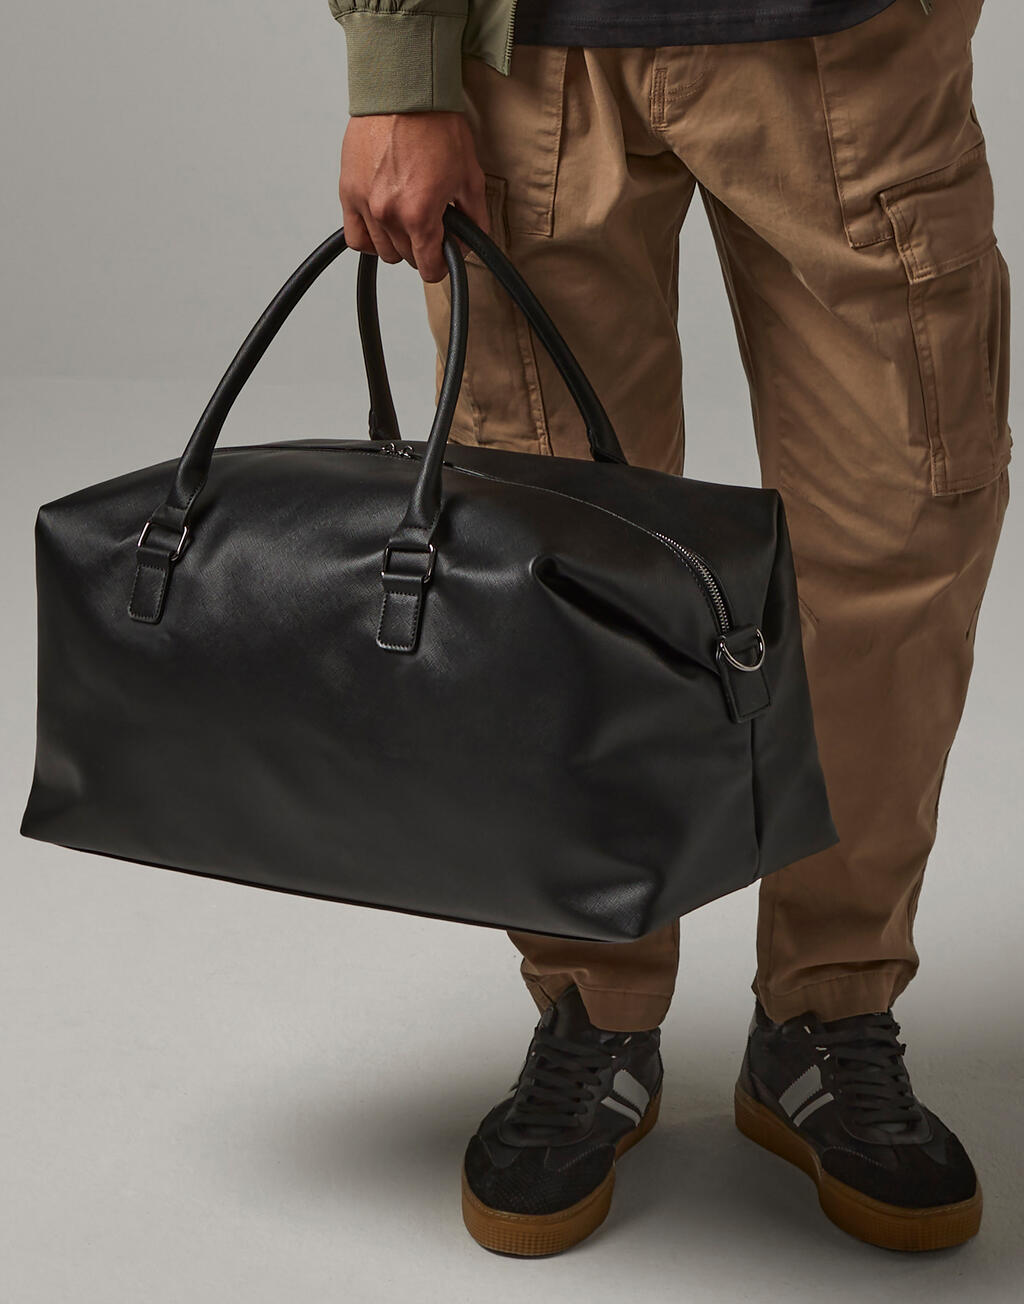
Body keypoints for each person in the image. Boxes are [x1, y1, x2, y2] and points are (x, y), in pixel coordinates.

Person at [332, 0, 1010, 1257]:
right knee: (555, 569)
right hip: (535, 57)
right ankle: (594, 1003)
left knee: (899, 536)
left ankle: (829, 1010)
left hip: (850, 47)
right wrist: (398, 64)